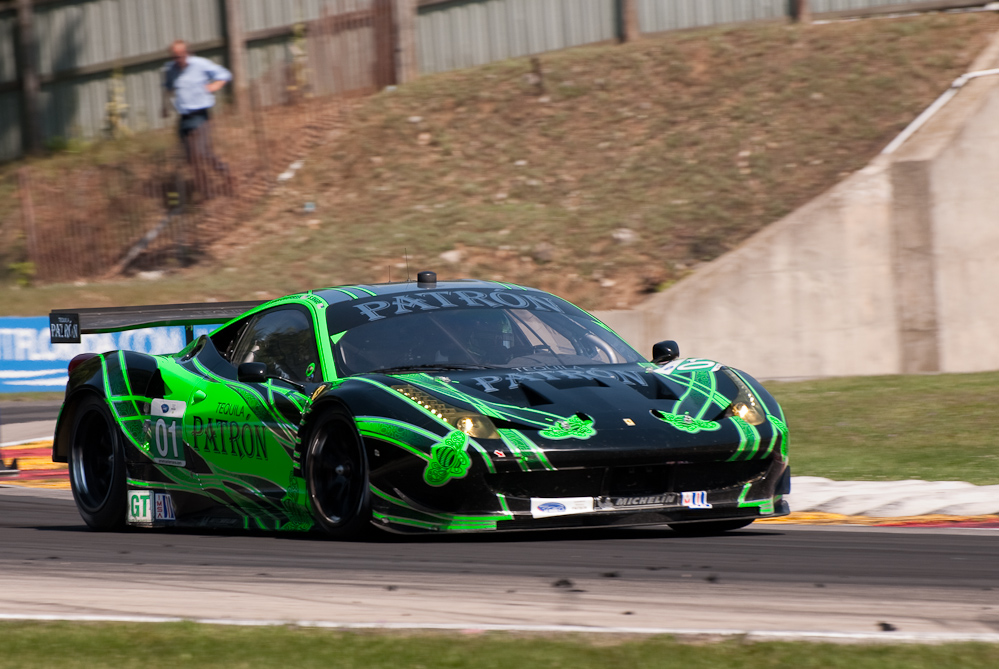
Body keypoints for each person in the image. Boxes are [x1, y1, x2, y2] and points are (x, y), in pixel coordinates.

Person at [162, 40, 233, 196]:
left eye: (181, 55)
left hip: (201, 116)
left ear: (187, 53)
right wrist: (164, 107)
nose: (179, 59)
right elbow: (167, 88)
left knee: (202, 153)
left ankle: (226, 173)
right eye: (175, 56)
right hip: (184, 118)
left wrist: (215, 85)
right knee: (190, 159)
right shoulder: (169, 69)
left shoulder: (200, 64)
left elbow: (225, 74)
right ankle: (205, 190)